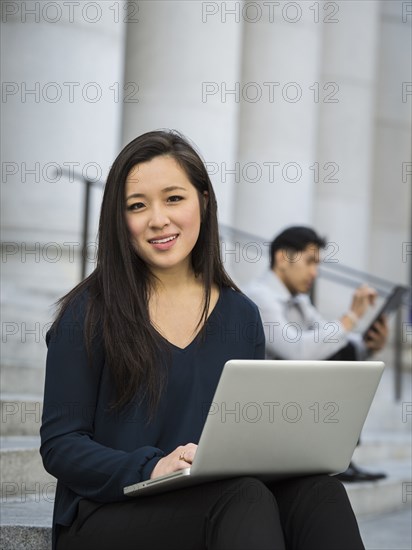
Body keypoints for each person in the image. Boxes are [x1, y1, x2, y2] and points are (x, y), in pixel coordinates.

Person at [40, 132, 366, 550]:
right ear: (119, 219)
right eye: (137, 206)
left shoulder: (240, 314)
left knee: (321, 493)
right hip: (108, 512)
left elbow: (244, 432)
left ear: (205, 200)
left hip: (214, 497)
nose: (158, 219)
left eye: (174, 198)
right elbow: (61, 445)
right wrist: (152, 466)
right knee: (243, 499)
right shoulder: (88, 311)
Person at [244, 226, 389, 482]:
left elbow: (328, 339)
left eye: (318, 264)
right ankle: (336, 457)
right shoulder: (259, 296)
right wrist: (351, 317)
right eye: (310, 261)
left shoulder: (299, 300)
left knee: (342, 351)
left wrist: (369, 345)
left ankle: (341, 456)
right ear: (282, 258)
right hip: (267, 403)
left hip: (295, 393)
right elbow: (296, 350)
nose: (315, 273)